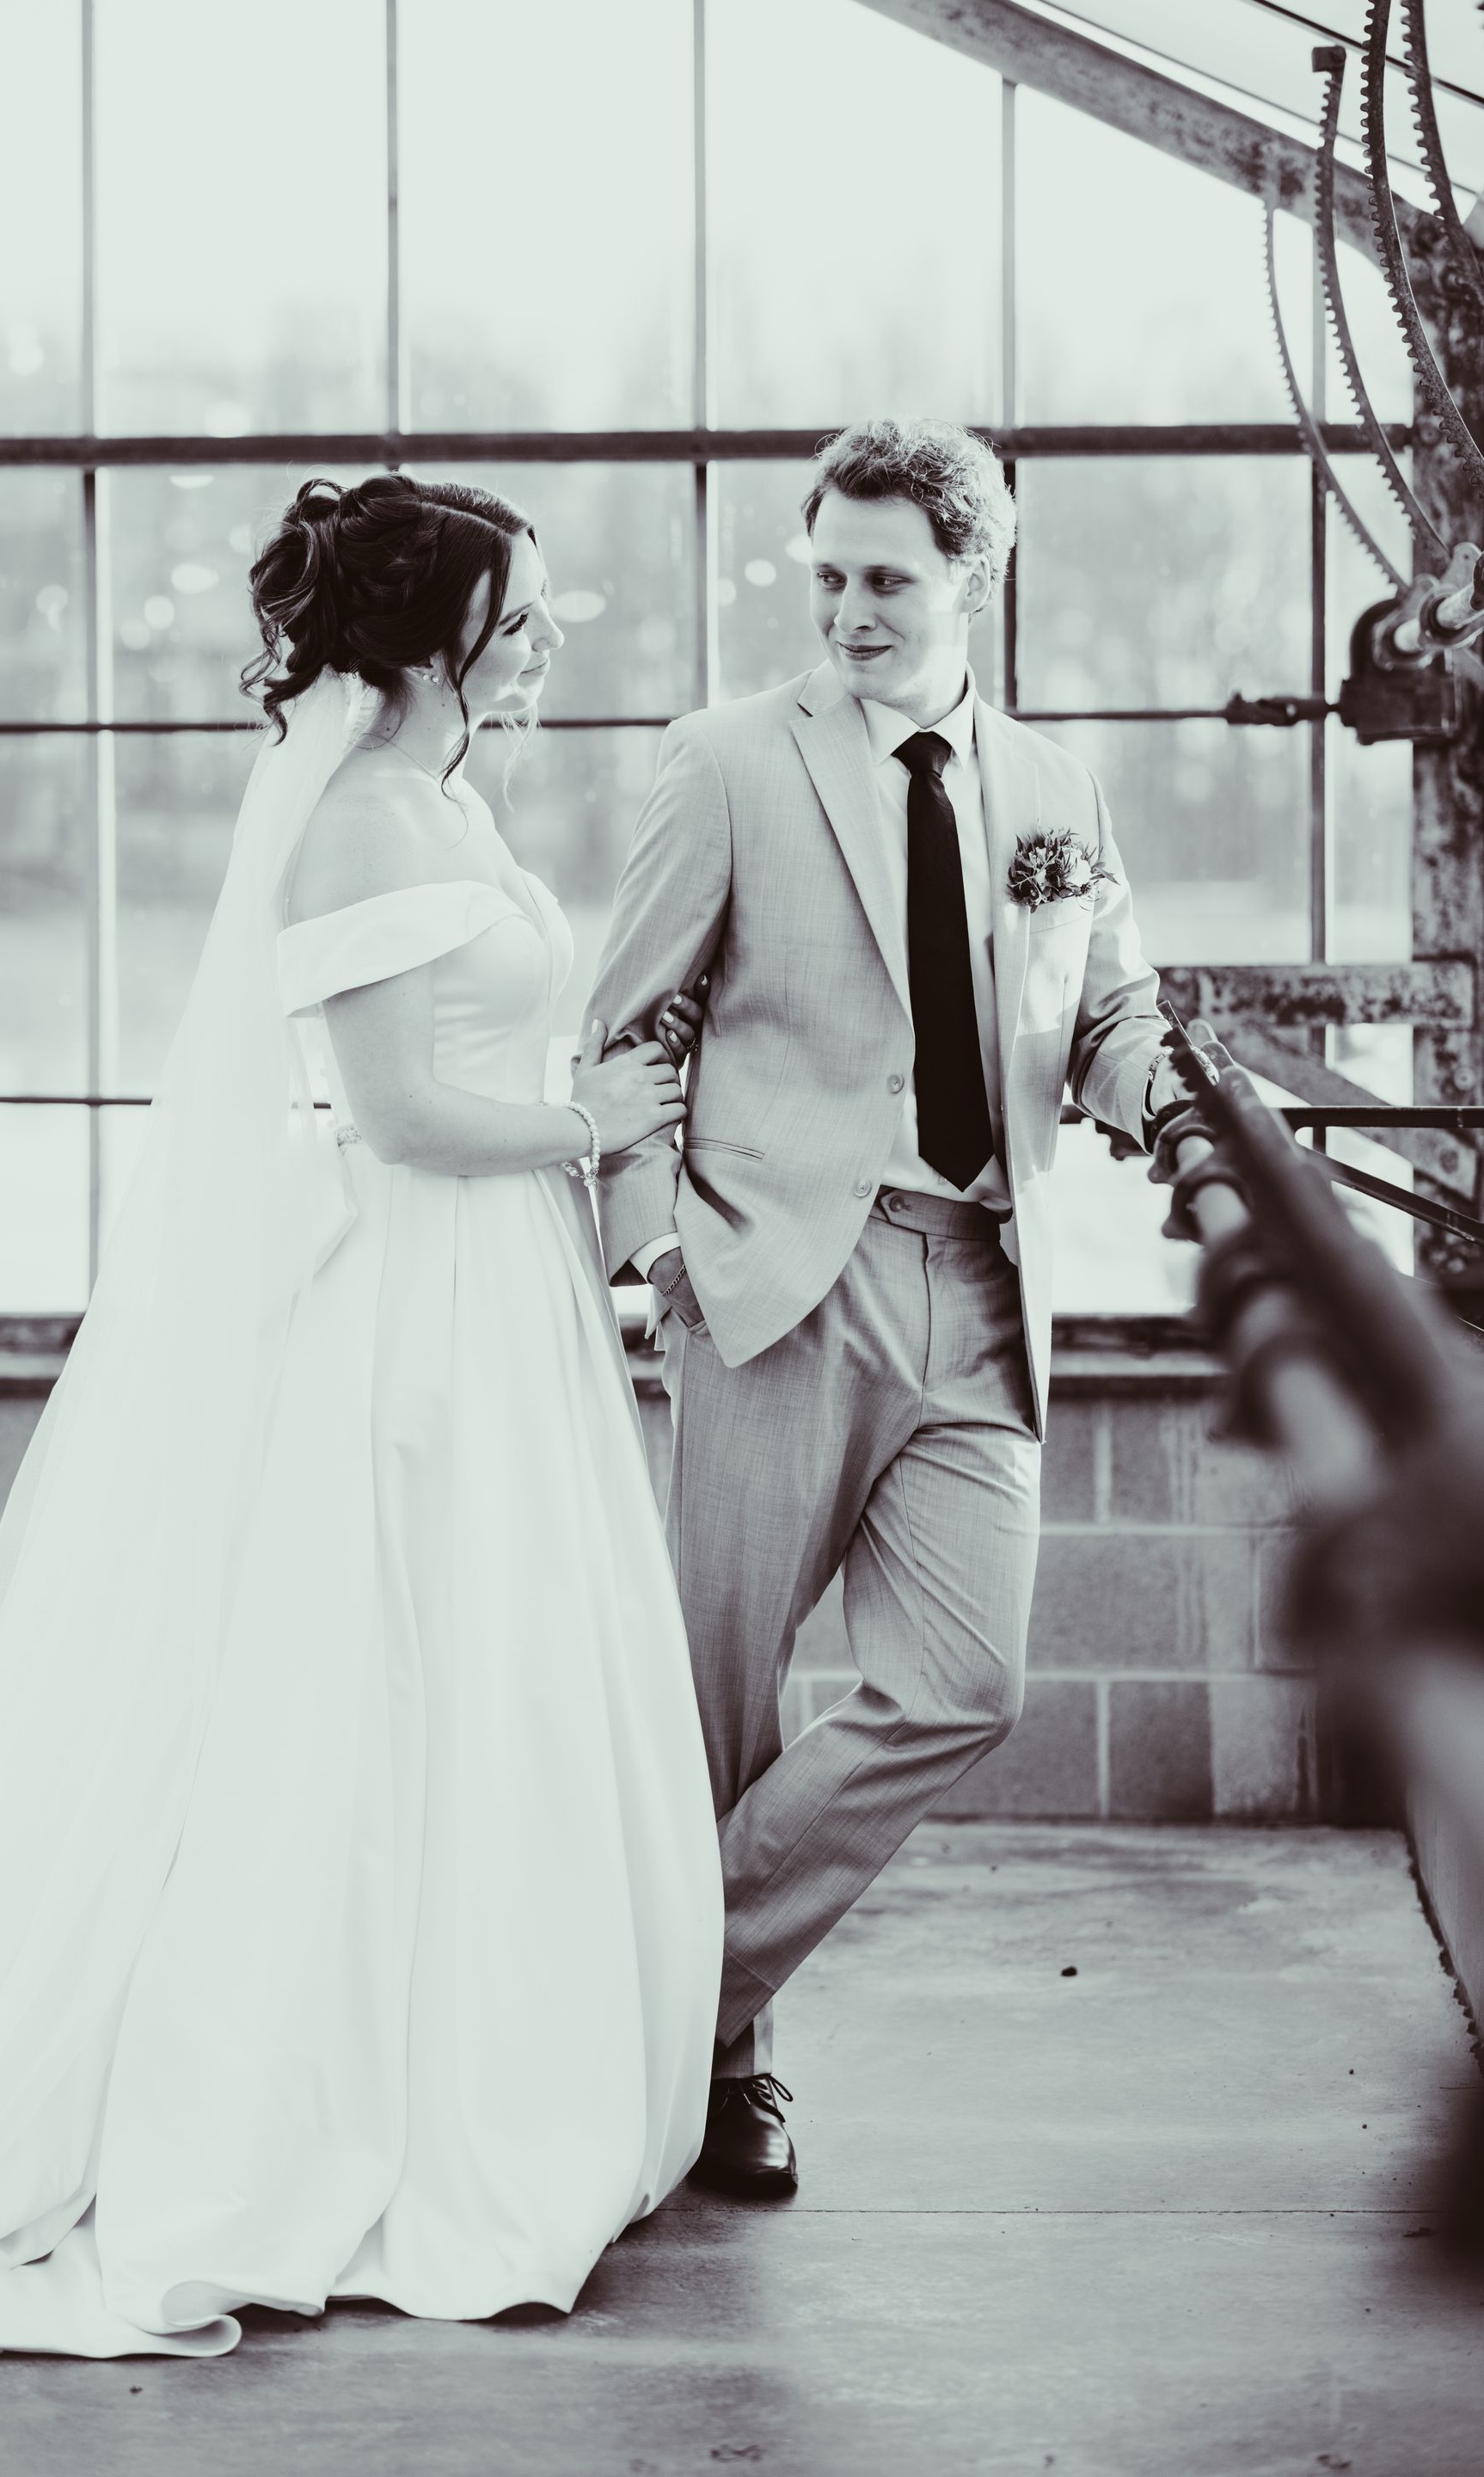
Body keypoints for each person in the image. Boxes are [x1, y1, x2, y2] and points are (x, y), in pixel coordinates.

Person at [0, 473, 722, 2359]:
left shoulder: (446, 800)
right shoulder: (357, 823)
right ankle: (328, 2117)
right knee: (380, 1666)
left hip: (503, 1288)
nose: (551, 637)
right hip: (424, 1287)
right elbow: (400, 1113)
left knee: (485, 1669)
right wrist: (598, 1129)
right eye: (522, 611)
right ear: (423, 636)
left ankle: (473, 2051)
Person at [584, 417, 1182, 2199]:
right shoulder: (724, 762)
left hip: (984, 1291)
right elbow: (622, 1033)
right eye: (826, 575)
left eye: (884, 581)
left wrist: (1168, 1103)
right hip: (775, 1285)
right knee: (722, 1704)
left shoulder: (1060, 790)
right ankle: (732, 2077)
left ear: (974, 576)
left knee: (964, 1683)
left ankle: (662, 2002)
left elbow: (1108, 1016)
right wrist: (664, 1251)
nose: (846, 611)